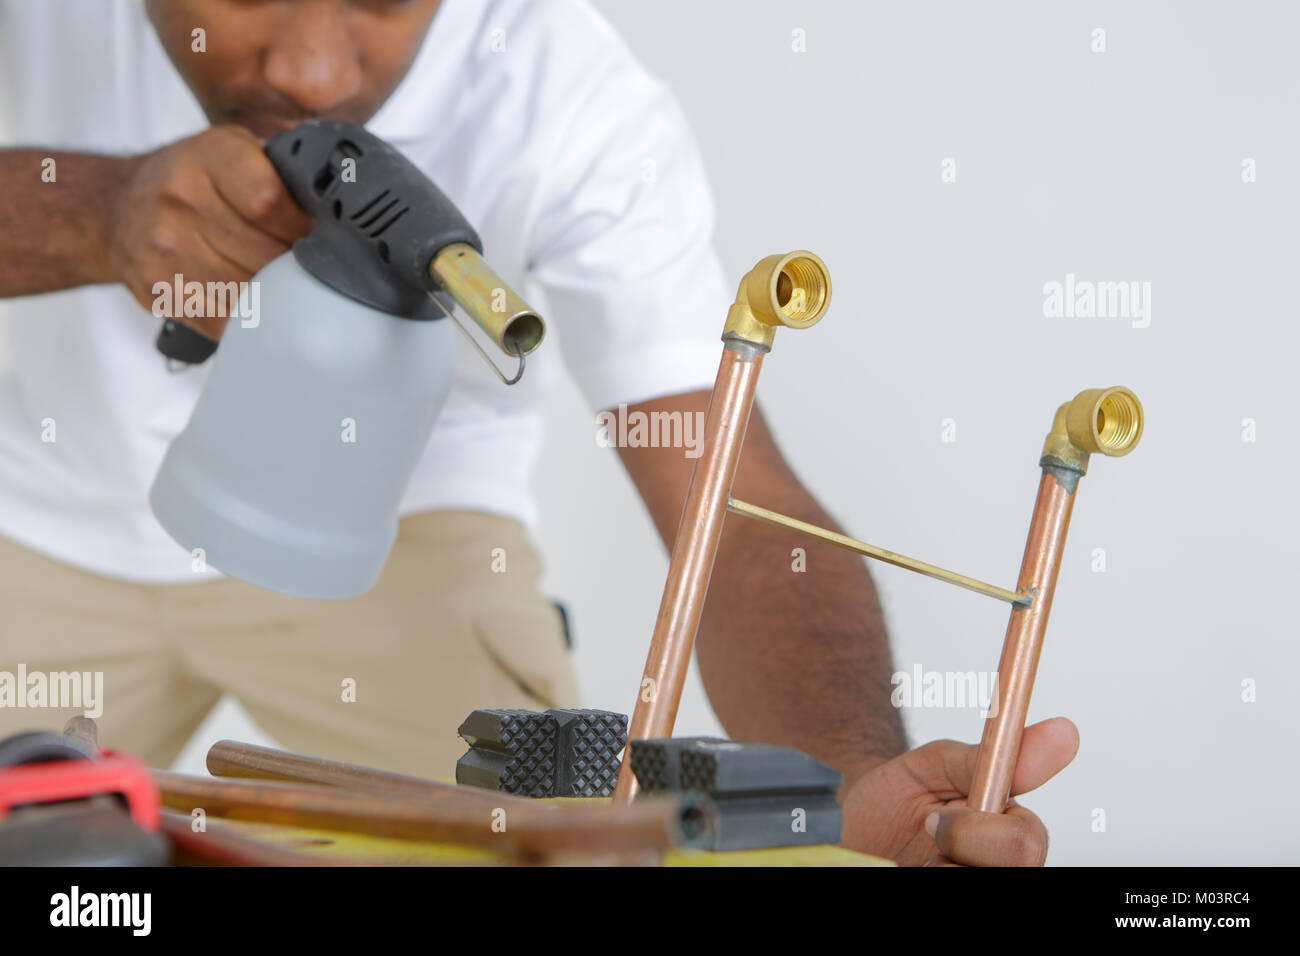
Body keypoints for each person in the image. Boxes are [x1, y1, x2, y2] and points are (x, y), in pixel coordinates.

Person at [0, 0, 1077, 866]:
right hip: (31, 512)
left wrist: (839, 793)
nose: (316, 69)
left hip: (404, 537)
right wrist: (88, 212)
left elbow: (738, 510)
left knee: (555, 848)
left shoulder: (572, 99)